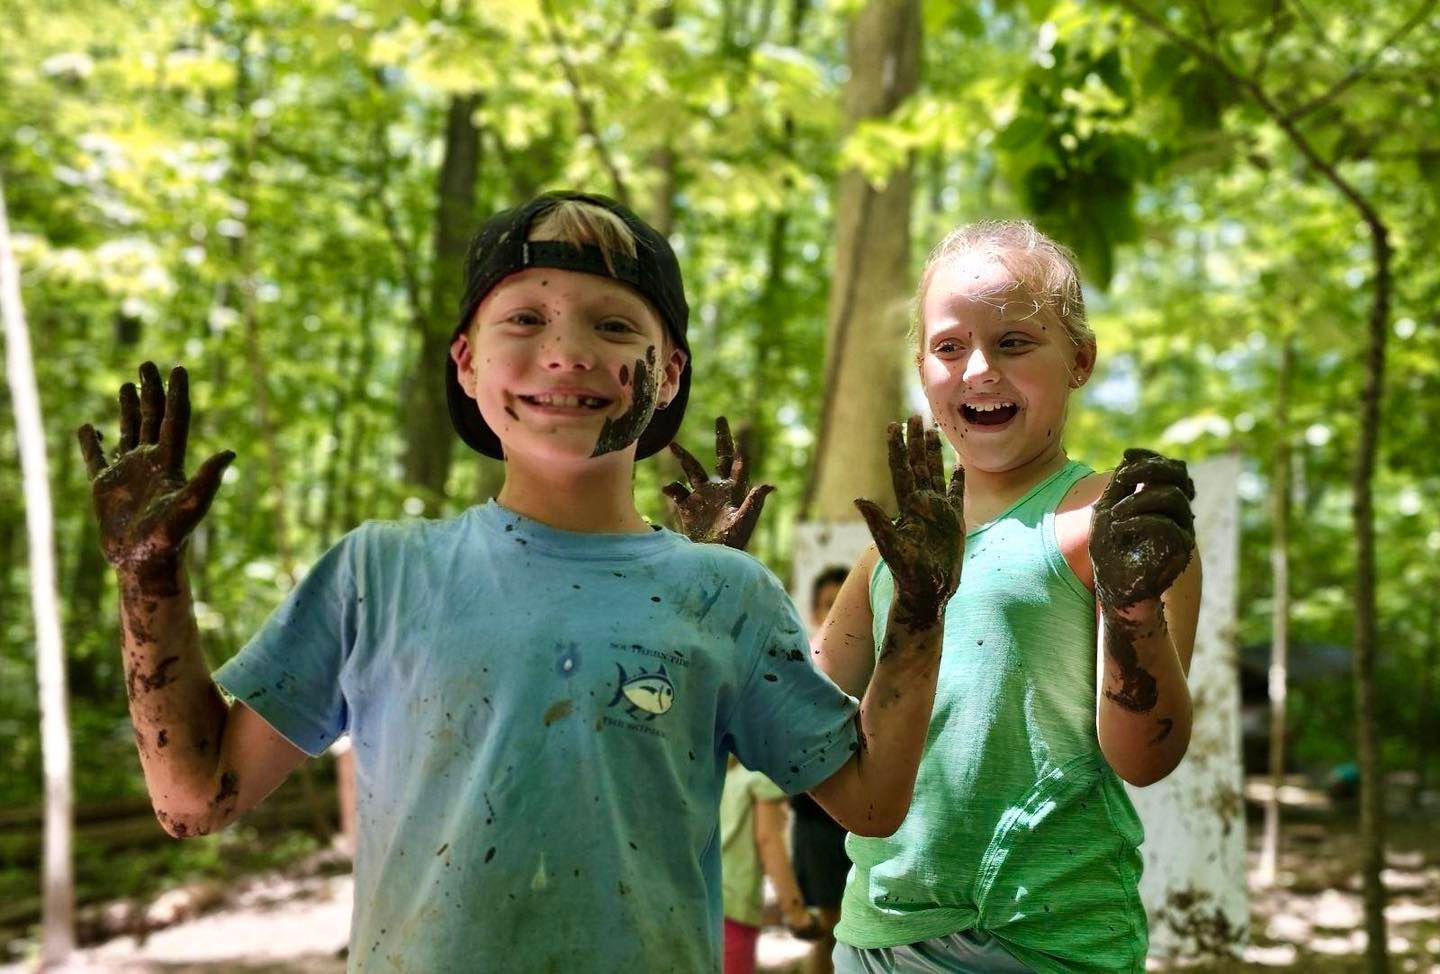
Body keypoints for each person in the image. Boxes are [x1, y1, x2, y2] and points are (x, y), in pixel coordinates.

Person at [76, 191, 966, 972]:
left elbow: (873, 801)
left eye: (615, 326)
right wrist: (149, 582)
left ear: (671, 374)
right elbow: (194, 799)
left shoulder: (723, 593)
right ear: (466, 360)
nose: (568, 351)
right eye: (526, 320)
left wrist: (919, 616)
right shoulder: (379, 573)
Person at [815, 220, 1202, 974]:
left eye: (1016, 343)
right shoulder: (888, 554)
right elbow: (798, 719)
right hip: (876, 932)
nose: (980, 369)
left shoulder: (1115, 527)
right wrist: (712, 582)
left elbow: (1146, 758)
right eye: (950, 347)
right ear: (922, 368)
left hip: (1047, 936)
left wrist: (1133, 609)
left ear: (1080, 359)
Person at [790, 566, 853, 974]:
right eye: (828, 604)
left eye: (842, 604)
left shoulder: (885, 666)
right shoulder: (800, 666)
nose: (835, 612)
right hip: (816, 820)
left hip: (866, 820)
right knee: (828, 929)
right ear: (814, 610)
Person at [719, 755, 821, 974]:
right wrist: (796, 914)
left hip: (700, 898)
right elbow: (769, 841)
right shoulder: (759, 773)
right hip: (735, 903)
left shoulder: (711, 765)